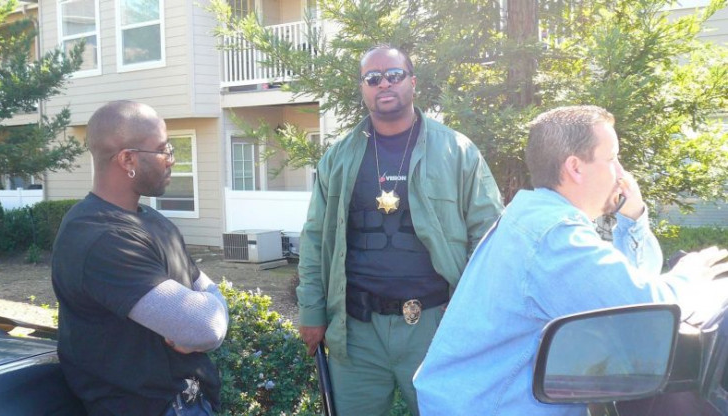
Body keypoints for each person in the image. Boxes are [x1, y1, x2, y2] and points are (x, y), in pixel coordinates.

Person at [413, 105, 728, 416]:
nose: (621, 174)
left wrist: (632, 218)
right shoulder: (552, 236)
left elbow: (617, 286)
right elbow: (646, 312)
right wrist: (691, 275)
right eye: (612, 159)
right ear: (575, 167)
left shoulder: (536, 215)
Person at [296, 44, 504, 415]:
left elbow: (489, 237)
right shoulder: (338, 158)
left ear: (413, 82)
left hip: (435, 329)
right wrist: (312, 311)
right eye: (372, 78)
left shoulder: (457, 151)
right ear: (363, 88)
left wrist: (473, 312)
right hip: (356, 335)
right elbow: (315, 239)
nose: (384, 84)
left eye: (394, 75)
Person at [52, 100, 229, 416]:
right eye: (163, 150)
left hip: (191, 401)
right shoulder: (101, 237)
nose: (171, 159)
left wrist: (210, 315)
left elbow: (209, 299)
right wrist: (208, 318)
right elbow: (206, 326)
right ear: (127, 159)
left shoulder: (153, 221)